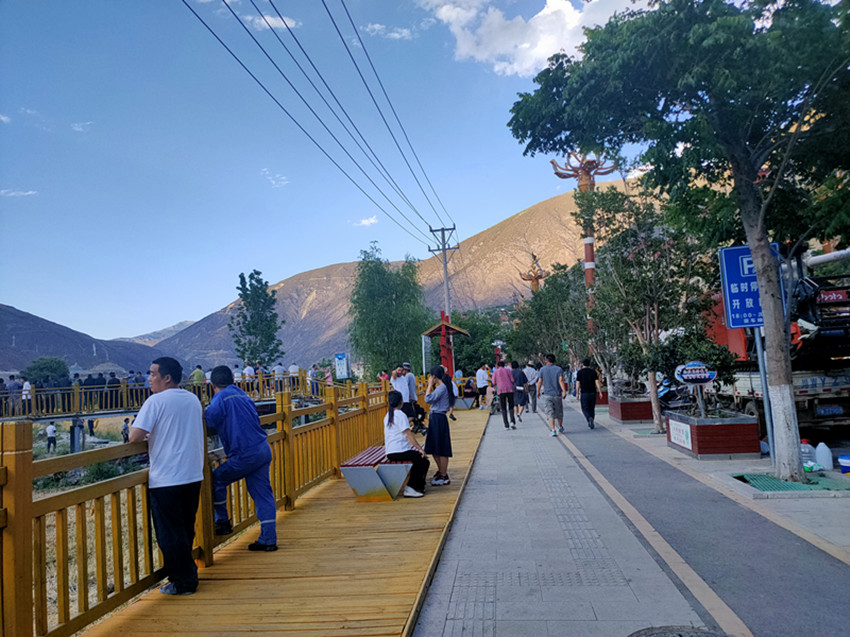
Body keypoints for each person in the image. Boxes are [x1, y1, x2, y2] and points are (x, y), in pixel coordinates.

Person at [129, 357, 205, 595]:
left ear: (167, 377)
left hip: (167, 477)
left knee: (169, 533)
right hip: (192, 474)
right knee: (185, 528)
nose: (149, 379)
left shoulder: (155, 401)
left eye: (153, 374)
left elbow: (135, 436)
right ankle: (186, 575)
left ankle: (184, 582)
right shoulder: (192, 399)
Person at [205, 365, 278, 551]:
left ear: (212, 385)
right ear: (232, 380)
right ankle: (269, 539)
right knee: (263, 495)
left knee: (216, 479)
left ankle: (222, 521)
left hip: (244, 453)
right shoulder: (243, 395)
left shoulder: (220, 398)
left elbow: (208, 421)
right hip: (262, 448)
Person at [383, 390, 429, 498]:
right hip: (399, 451)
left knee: (419, 459)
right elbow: (408, 435)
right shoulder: (400, 415)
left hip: (391, 451)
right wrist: (420, 449)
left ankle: (418, 486)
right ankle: (411, 487)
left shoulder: (388, 415)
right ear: (401, 402)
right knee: (423, 461)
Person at [424, 366, 454, 486]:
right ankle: (442, 472)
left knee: (441, 447)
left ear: (434, 376)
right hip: (436, 417)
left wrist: (429, 385)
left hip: (438, 417)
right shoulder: (441, 387)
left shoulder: (441, 388)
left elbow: (428, 399)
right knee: (434, 447)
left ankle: (443, 474)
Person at [537, 354, 567, 436]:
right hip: (557, 394)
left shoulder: (542, 369)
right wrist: (564, 391)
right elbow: (561, 381)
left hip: (547, 395)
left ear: (546, 360)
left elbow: (540, 381)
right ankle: (560, 427)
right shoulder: (559, 369)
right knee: (559, 412)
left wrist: (538, 391)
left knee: (550, 412)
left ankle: (553, 430)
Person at [576, 358, 603, 429]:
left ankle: (589, 418)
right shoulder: (593, 372)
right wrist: (600, 392)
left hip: (584, 393)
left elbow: (578, 384)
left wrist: (577, 393)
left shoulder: (580, 372)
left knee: (585, 408)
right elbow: (597, 382)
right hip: (593, 392)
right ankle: (591, 419)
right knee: (591, 408)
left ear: (582, 364)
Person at [491, 360, 516, 429]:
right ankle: (512, 421)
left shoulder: (496, 372)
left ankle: (506, 424)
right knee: (511, 405)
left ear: (497, 365)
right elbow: (512, 380)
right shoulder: (508, 370)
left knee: (503, 407)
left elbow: (493, 382)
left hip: (501, 390)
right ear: (504, 365)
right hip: (509, 389)